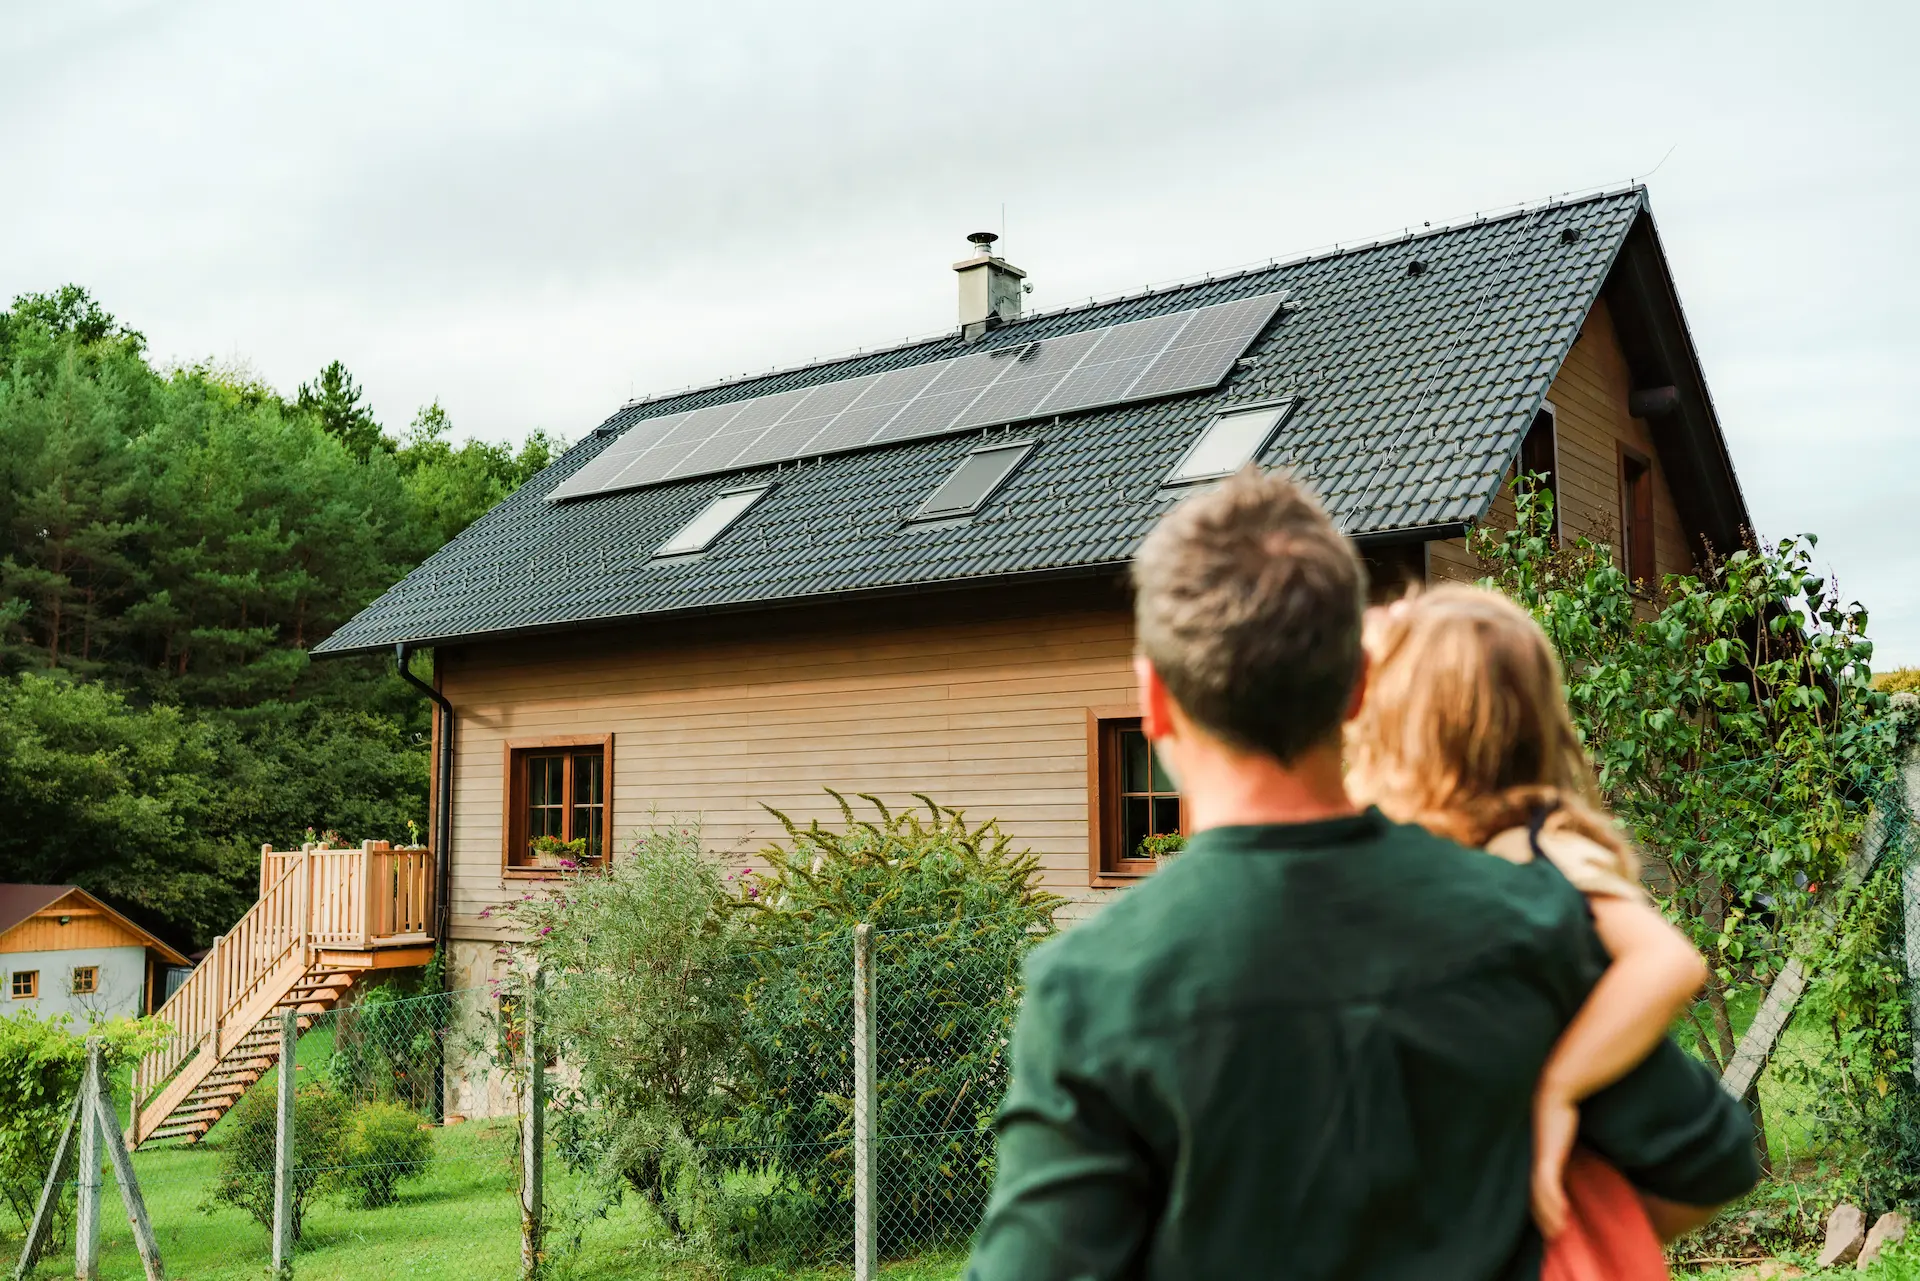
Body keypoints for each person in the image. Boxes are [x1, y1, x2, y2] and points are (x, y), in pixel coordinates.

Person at [964, 468, 1759, 1281]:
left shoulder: (1091, 988)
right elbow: (1707, 1163)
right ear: (1356, 686)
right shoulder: (1525, 913)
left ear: (1156, 702)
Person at [1347, 586, 1710, 1276]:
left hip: (1551, 1226)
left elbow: (1668, 961)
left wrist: (1557, 1085)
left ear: (1420, 725)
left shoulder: (1535, 846)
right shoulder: (1446, 844)